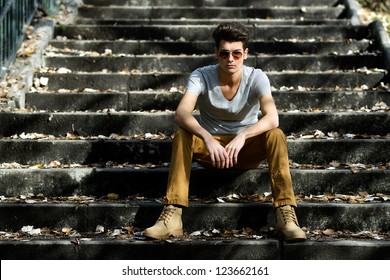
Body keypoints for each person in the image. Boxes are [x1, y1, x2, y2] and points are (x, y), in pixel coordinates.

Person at [144, 22, 306, 242]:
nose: (231, 59)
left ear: (245, 54)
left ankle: (286, 214)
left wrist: (242, 136)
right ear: (216, 53)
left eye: (237, 53)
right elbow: (181, 113)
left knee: (276, 134)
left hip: (244, 149)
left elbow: (272, 117)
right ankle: (173, 215)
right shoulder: (201, 76)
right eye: (225, 53)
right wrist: (208, 138)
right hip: (212, 151)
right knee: (183, 134)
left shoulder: (257, 77)